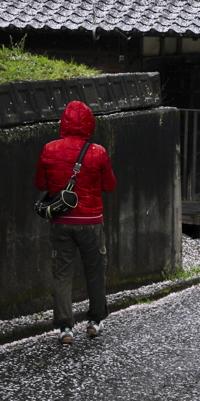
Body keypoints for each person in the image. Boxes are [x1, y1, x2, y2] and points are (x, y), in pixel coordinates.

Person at [35, 100, 117, 345]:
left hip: (60, 222)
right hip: (91, 222)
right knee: (95, 271)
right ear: (90, 124)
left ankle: (65, 328)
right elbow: (109, 186)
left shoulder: (49, 149)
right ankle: (95, 321)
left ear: (63, 123)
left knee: (62, 274)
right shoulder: (98, 152)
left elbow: (40, 185)